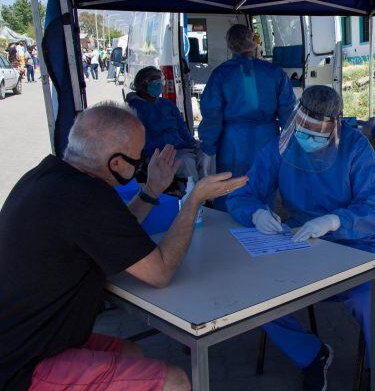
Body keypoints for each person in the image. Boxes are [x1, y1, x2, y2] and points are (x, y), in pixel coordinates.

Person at [0, 102, 248, 391]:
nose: (142, 162)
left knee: (131, 354)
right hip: (23, 364)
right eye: (137, 158)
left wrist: (151, 190)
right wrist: (194, 200)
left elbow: (113, 230)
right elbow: (160, 271)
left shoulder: (50, 176)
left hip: (34, 336)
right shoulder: (87, 198)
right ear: (115, 164)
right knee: (175, 381)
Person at [228, 85, 375, 391]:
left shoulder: (356, 148)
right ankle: (310, 355)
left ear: (337, 126)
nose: (308, 139)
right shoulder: (283, 144)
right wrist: (255, 213)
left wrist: (335, 220)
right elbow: (244, 191)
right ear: (296, 119)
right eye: (304, 130)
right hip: (300, 242)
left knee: (365, 298)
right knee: (258, 297)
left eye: (318, 134)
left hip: (355, 244)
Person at [199, 23, 296, 210]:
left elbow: (212, 115)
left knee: (229, 188)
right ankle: (261, 229)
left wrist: (207, 146)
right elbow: (288, 113)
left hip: (232, 141)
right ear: (254, 43)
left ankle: (227, 233)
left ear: (230, 45)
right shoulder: (275, 73)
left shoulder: (221, 74)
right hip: (267, 138)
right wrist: (291, 144)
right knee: (263, 186)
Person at [126, 66, 205, 182]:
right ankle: (195, 195)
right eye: (155, 82)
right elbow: (141, 142)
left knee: (206, 152)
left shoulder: (167, 104)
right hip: (158, 153)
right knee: (185, 161)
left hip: (179, 148)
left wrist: (192, 143)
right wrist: (170, 145)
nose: (159, 85)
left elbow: (182, 129)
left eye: (160, 82)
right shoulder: (135, 109)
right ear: (143, 84)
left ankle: (209, 191)